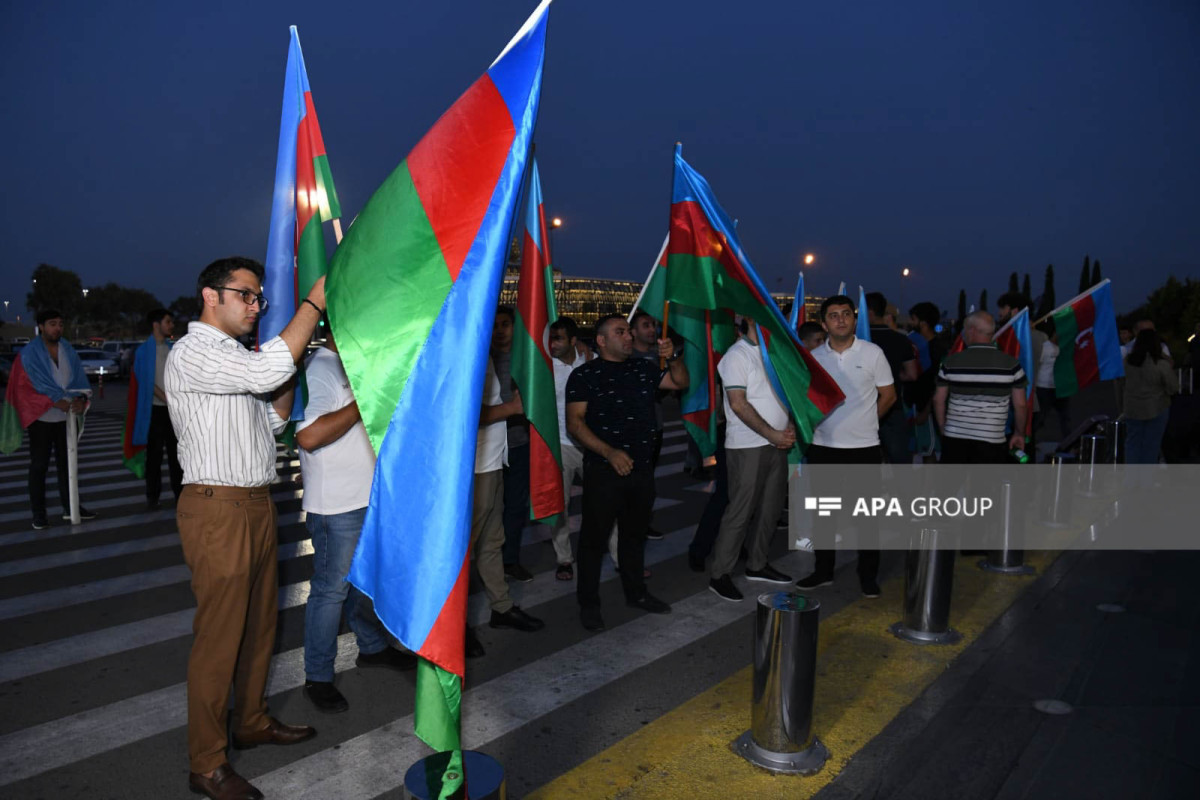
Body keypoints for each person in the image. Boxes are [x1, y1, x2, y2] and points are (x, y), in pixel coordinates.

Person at [165, 257, 322, 800]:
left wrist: (290, 368)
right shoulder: (194, 350)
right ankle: (206, 764)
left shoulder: (235, 355)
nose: (257, 306)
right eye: (247, 295)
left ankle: (251, 720)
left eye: (260, 298)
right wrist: (313, 306)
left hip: (255, 504)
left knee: (260, 628)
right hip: (217, 507)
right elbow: (262, 374)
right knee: (219, 640)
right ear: (211, 295)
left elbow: (272, 422)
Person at [297, 324, 416, 715]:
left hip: (368, 497)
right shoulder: (322, 367)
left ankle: (373, 648)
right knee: (331, 591)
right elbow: (309, 436)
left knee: (364, 585)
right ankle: (318, 676)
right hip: (336, 506)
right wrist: (361, 402)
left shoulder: (354, 367)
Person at [567, 314, 687, 631]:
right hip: (604, 471)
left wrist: (672, 356)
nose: (629, 337)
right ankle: (588, 604)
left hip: (642, 469)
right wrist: (609, 452)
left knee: (634, 536)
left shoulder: (643, 369)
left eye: (629, 332)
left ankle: (637, 593)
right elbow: (574, 424)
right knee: (593, 541)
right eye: (620, 332)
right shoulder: (585, 375)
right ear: (602, 341)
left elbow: (679, 382)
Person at [797, 296, 895, 597]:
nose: (839, 320)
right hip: (824, 446)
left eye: (845, 314)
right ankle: (823, 571)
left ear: (854, 319)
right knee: (824, 515)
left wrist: (869, 422)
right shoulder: (815, 358)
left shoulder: (872, 353)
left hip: (864, 448)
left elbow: (888, 395)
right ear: (824, 323)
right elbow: (807, 399)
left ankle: (867, 576)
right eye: (833, 315)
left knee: (867, 517)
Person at [708, 318, 795, 601]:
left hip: (777, 442)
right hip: (748, 446)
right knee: (741, 511)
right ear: (750, 321)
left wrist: (789, 426)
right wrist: (772, 433)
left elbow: (785, 394)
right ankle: (719, 574)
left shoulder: (772, 353)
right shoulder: (737, 355)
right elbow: (738, 403)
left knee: (770, 508)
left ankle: (757, 564)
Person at [469, 351, 545, 656]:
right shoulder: (465, 349)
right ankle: (453, 626)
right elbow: (464, 411)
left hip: (493, 461)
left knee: (491, 542)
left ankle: (501, 608)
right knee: (461, 553)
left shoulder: (486, 354)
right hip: (471, 467)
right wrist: (512, 408)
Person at [12, 308, 93, 529]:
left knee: (68, 465)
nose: (57, 328)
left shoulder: (68, 349)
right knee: (39, 466)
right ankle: (39, 514)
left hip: (67, 418)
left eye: (60, 324)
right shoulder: (29, 353)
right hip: (42, 418)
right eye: (52, 324)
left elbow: (79, 379)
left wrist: (78, 399)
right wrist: (58, 401)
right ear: (41, 327)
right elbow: (30, 386)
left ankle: (71, 507)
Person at [933, 311, 1027, 464]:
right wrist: (1019, 433)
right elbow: (1021, 405)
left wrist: (944, 428)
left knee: (947, 487)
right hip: (992, 440)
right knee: (985, 487)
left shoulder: (950, 362)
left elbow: (938, 400)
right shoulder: (1012, 365)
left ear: (972, 331)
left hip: (955, 438)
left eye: (964, 330)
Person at [548, 316, 590, 580]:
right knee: (560, 507)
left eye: (559, 339)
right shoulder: (545, 367)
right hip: (561, 444)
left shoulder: (591, 359)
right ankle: (564, 559)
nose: (553, 344)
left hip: (591, 444)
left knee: (604, 501)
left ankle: (619, 556)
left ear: (574, 341)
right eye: (551, 338)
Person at [131, 309, 183, 509]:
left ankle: (180, 495)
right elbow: (146, 381)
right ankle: (152, 497)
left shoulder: (172, 348)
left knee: (176, 456)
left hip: (173, 412)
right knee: (153, 457)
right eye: (168, 321)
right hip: (154, 411)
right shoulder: (143, 351)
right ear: (156, 324)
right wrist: (169, 399)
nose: (171, 325)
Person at [865, 292, 918, 465]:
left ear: (870, 312)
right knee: (899, 463)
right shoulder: (901, 339)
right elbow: (912, 374)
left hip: (863, 409)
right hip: (893, 409)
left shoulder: (859, 341)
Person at [1122, 329, 1178, 469]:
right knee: (1151, 445)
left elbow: (1120, 380)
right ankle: (1145, 482)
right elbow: (1173, 387)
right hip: (1156, 407)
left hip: (1132, 408)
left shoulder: (1127, 362)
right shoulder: (1160, 364)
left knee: (1133, 443)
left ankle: (1131, 480)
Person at [1033, 321, 1071, 439]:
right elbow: (1036, 365)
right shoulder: (1045, 347)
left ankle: (1068, 442)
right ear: (1055, 333)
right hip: (1044, 388)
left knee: (1065, 417)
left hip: (1060, 388)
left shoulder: (1064, 348)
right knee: (1040, 417)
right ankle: (1029, 441)